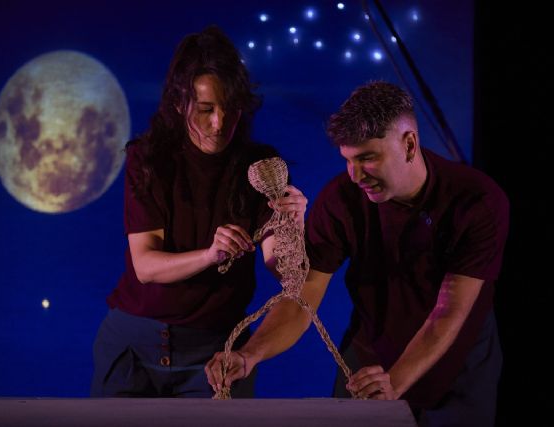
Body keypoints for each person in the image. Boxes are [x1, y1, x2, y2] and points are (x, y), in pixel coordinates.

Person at [206, 81, 509, 426]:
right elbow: (303, 297)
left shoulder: (477, 201)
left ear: (409, 144)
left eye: (367, 158)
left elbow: (448, 313)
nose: (355, 175)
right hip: (370, 356)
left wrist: (393, 383)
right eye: (348, 160)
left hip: (457, 367)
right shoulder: (342, 199)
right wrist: (249, 355)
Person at [90, 25, 307, 398]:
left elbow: (284, 272)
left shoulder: (261, 166)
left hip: (216, 353)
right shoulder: (149, 159)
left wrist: (293, 226)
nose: (219, 124)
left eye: (230, 109)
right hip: (132, 347)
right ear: (179, 103)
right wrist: (210, 255)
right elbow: (145, 266)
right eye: (206, 109)